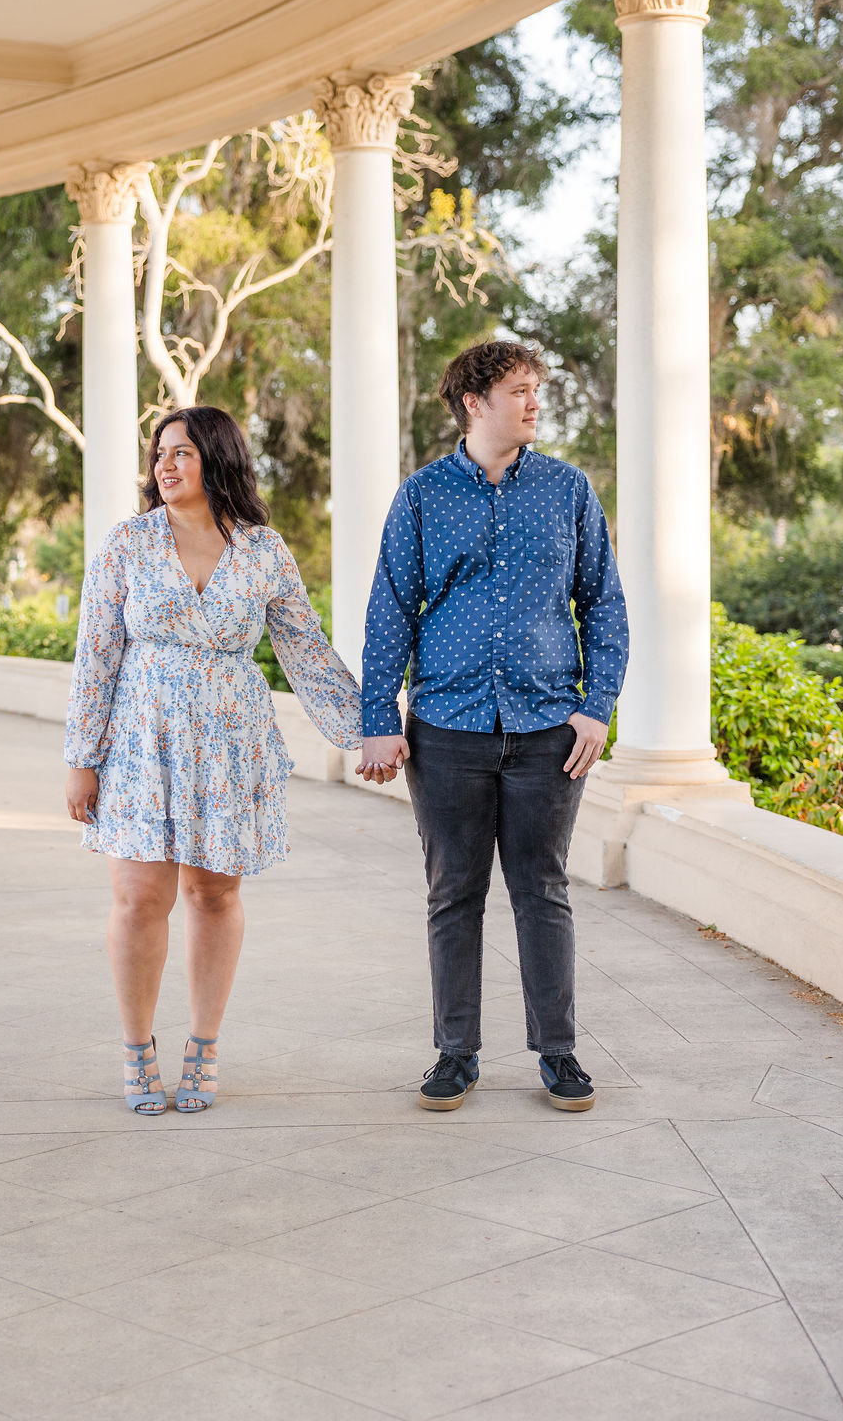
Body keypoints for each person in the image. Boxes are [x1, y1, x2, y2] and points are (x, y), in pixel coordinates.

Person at [65, 406, 362, 1116]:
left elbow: (305, 651)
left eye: (184, 453)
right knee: (141, 899)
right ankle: (138, 1047)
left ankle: (204, 1044)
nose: (166, 465)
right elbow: (96, 655)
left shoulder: (264, 551)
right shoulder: (128, 544)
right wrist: (83, 756)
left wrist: (369, 731)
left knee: (213, 895)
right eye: (161, 454)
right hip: (141, 739)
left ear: (219, 460)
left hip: (230, 745)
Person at [357, 340, 628, 1113]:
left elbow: (603, 602)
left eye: (537, 389)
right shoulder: (421, 497)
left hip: (548, 728)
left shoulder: (569, 490)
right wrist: (379, 720)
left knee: (542, 891)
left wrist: (596, 704)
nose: (535, 402)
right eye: (520, 390)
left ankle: (559, 1052)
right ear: (475, 402)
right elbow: (390, 612)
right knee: (453, 893)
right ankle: (455, 1054)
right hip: (446, 727)